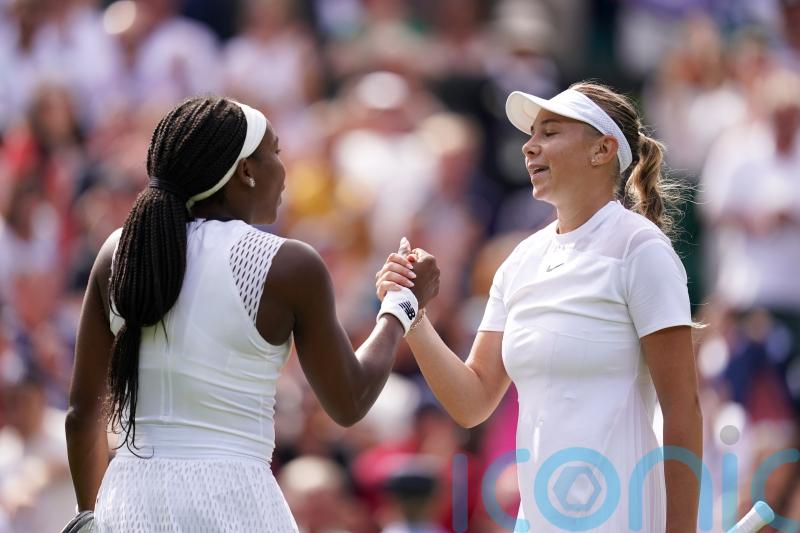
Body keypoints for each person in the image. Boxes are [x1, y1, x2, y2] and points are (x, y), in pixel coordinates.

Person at [64, 96, 439, 531]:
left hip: (127, 502)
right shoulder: (290, 265)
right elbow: (349, 400)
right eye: (276, 153)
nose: (285, 170)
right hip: (235, 502)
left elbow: (81, 415)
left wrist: (88, 516)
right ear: (246, 171)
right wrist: (400, 307)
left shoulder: (117, 252)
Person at [376, 81, 703, 532]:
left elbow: (682, 409)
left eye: (549, 133)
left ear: (602, 150)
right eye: (531, 135)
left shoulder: (640, 248)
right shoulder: (519, 262)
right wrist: (413, 315)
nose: (529, 147)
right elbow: (471, 402)